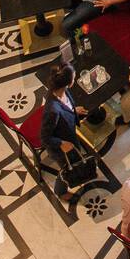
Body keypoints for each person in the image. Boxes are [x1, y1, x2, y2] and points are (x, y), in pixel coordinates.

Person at [40, 64, 89, 194]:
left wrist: (72, 110)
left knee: (75, 161)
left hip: (69, 134)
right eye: (74, 77)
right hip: (62, 147)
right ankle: (60, 191)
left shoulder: (61, 90)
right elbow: (45, 138)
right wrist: (61, 143)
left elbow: (65, 106)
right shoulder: (53, 111)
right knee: (67, 168)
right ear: (69, 82)